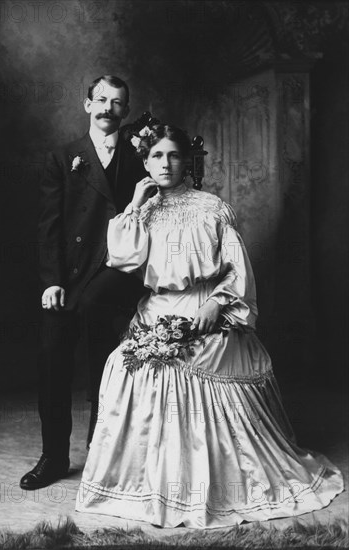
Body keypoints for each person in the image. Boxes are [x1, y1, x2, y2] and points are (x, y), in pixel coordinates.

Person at [75, 124, 344, 528]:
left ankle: (206, 486)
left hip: (206, 307)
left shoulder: (212, 207)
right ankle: (151, 485)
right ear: (145, 164)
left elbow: (236, 269)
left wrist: (217, 304)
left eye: (174, 156)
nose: (166, 164)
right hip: (156, 310)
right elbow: (124, 258)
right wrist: (133, 202)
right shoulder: (142, 211)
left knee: (188, 365)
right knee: (127, 366)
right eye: (156, 157)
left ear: (187, 161)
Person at [20, 76, 147, 491]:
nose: (108, 108)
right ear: (87, 104)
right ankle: (53, 456)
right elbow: (49, 226)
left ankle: (101, 454)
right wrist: (52, 281)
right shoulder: (63, 157)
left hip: (114, 274)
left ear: (126, 112)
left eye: (118, 103)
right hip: (70, 276)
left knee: (104, 368)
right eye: (102, 100)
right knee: (52, 364)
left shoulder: (138, 156)